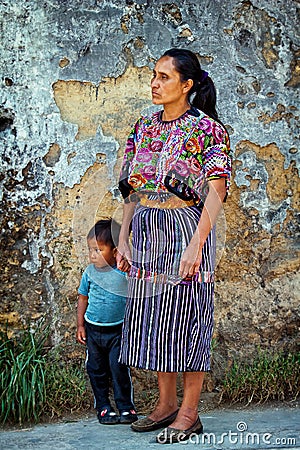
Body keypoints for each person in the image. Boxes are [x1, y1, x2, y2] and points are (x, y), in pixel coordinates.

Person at [116, 48, 231, 444]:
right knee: (154, 320)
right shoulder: (143, 126)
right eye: (154, 75)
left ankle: (190, 411)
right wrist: (124, 236)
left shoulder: (207, 129)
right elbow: (130, 186)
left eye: (165, 77)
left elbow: (216, 190)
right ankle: (165, 405)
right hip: (146, 229)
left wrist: (196, 245)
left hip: (186, 227)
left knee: (188, 319)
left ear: (187, 85)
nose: (155, 82)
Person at [76, 219, 138, 425]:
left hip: (118, 331)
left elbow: (135, 293)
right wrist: (80, 325)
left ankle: (125, 406)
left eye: (98, 250)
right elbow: (83, 297)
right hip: (94, 331)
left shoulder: (123, 272)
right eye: (90, 250)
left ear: (114, 251)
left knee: (118, 367)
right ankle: (103, 406)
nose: (92, 255)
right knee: (96, 369)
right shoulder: (89, 273)